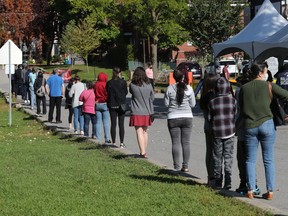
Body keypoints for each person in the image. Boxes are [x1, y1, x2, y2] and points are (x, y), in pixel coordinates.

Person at [239, 63, 288, 200]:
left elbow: (241, 108)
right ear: (260, 73)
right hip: (267, 124)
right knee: (269, 159)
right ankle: (270, 191)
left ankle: (250, 189)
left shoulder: (244, 88)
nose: (267, 74)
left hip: (249, 125)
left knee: (250, 160)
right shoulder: (269, 85)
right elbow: (286, 95)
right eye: (266, 71)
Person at [165, 69, 196, 171]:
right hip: (187, 117)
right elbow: (193, 104)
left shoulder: (169, 89)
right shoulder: (189, 89)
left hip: (173, 118)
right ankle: (185, 166)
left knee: (175, 143)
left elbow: (166, 104)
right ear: (183, 77)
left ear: (174, 77)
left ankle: (176, 166)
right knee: (186, 143)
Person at [208, 77, 236, 189]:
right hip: (230, 132)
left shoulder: (212, 102)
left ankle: (218, 179)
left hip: (217, 132)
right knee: (228, 156)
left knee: (217, 156)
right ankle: (228, 181)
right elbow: (235, 114)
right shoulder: (233, 101)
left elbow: (210, 118)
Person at [129, 67, 154, 158]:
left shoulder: (133, 85)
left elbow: (131, 92)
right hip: (147, 111)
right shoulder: (149, 85)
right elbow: (152, 98)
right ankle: (144, 151)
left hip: (136, 110)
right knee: (145, 131)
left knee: (139, 131)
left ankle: (142, 152)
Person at [199, 73, 219, 184]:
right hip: (217, 126)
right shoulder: (216, 96)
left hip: (207, 126)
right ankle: (217, 176)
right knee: (217, 152)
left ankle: (210, 177)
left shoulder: (204, 96)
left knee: (209, 151)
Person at [106, 67, 128, 148]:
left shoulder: (109, 83)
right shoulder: (123, 82)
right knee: (121, 124)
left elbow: (107, 92)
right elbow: (126, 92)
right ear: (119, 73)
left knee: (113, 124)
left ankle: (113, 142)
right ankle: (122, 143)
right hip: (121, 104)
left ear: (113, 72)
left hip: (112, 104)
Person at [94, 72, 111, 143]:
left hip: (97, 103)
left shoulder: (95, 85)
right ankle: (107, 138)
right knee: (106, 122)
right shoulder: (106, 84)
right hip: (105, 103)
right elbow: (107, 94)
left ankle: (98, 138)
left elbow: (94, 93)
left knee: (98, 122)